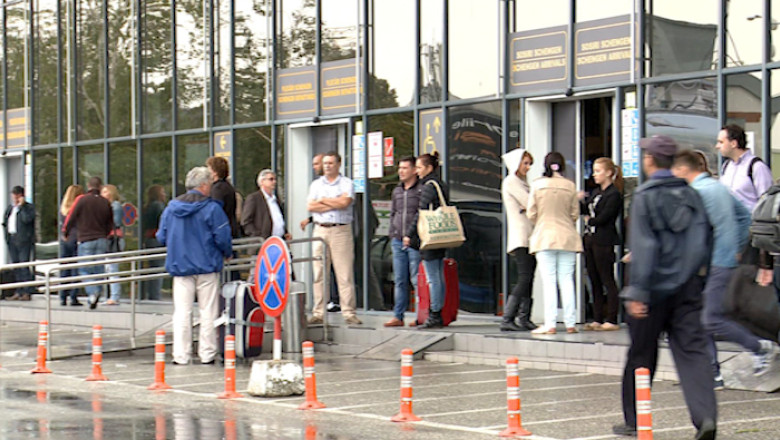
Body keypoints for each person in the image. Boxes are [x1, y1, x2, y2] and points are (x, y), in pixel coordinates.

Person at [614, 135, 716, 440]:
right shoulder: (692, 195)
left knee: (641, 354)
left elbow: (645, 247)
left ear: (649, 161)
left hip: (653, 290)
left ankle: (635, 420)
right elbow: (705, 240)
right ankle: (705, 416)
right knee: (693, 353)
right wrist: (698, 278)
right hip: (687, 288)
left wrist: (639, 292)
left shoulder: (645, 197)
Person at [672, 150, 778, 384]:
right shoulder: (717, 187)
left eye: (675, 170)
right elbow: (744, 217)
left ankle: (759, 348)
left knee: (709, 318)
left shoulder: (698, 192)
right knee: (702, 316)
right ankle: (713, 371)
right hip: (717, 261)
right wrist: (736, 247)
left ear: (683, 169)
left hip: (714, 263)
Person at [156, 167, 232, 365]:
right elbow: (222, 236)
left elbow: (161, 236)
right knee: (208, 312)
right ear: (204, 185)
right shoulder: (213, 208)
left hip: (180, 266)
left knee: (182, 312)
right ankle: (207, 354)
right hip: (207, 266)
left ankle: (181, 355)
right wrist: (227, 253)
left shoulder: (171, 208)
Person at [527, 152, 582, 335]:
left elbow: (531, 213)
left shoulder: (537, 184)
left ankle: (550, 323)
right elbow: (575, 214)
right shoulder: (570, 186)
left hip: (544, 236)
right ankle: (570, 322)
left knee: (549, 281)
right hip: (567, 236)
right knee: (566, 280)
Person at [306, 151, 361, 326]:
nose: (327, 166)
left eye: (330, 163)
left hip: (341, 231)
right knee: (319, 273)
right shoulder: (316, 184)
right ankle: (318, 312)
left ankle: (349, 312)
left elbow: (345, 203)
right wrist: (333, 201)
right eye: (325, 163)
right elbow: (311, 206)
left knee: (344, 273)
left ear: (338, 164)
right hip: (320, 230)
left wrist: (323, 201)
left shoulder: (347, 183)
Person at [404, 152, 448, 329]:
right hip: (441, 234)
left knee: (433, 277)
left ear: (429, 168)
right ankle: (438, 312)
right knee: (438, 274)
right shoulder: (440, 184)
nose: (417, 171)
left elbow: (421, 213)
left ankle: (434, 314)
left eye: (420, 167)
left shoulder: (429, 186)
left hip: (430, 235)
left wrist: (409, 233)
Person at [579, 157, 623, 332]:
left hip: (604, 240)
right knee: (594, 279)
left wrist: (591, 220)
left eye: (598, 171)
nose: (594, 175)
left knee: (607, 278)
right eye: (594, 171)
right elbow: (587, 212)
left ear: (609, 173)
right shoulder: (596, 192)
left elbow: (605, 218)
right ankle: (597, 318)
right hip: (590, 239)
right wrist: (580, 201)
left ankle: (611, 318)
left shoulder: (614, 194)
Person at [500, 149, 538, 332]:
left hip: (530, 235)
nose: (528, 167)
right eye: (525, 163)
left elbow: (530, 205)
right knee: (524, 277)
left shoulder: (522, 182)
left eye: (530, 163)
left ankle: (524, 318)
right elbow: (531, 203)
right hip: (521, 236)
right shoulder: (511, 182)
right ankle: (508, 317)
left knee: (529, 277)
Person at [63, 177, 114, 309]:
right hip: (101, 239)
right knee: (98, 269)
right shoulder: (105, 202)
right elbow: (110, 223)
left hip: (86, 239)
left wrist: (66, 232)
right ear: (100, 186)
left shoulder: (82, 200)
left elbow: (71, 217)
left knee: (85, 269)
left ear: (88, 186)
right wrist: (105, 234)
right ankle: (96, 293)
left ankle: (93, 293)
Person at [384, 156, 422, 327]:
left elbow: (421, 215)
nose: (401, 171)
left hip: (415, 241)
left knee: (416, 279)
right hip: (398, 240)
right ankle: (398, 315)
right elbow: (394, 212)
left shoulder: (421, 189)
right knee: (399, 279)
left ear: (415, 170)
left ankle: (420, 315)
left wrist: (413, 235)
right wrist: (393, 232)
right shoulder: (397, 191)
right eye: (400, 168)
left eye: (405, 168)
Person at [716, 124, 772, 211]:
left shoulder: (756, 166)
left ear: (733, 143)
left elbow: (766, 201)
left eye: (721, 142)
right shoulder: (726, 166)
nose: (717, 146)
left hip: (750, 222)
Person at [3, 186, 36, 301]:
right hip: (12, 239)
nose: (15, 198)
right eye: (13, 195)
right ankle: (18, 291)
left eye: (17, 195)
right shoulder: (10, 208)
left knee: (23, 265)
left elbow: (27, 219)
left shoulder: (28, 208)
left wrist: (21, 207)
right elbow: (5, 222)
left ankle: (27, 292)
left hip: (23, 240)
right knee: (15, 266)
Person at [241, 169, 291, 240]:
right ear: (262, 182)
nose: (274, 182)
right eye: (271, 179)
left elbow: (278, 219)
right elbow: (245, 222)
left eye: (275, 179)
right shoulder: (254, 198)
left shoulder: (275, 199)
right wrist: (258, 237)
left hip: (278, 242)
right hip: (262, 244)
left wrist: (285, 232)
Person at [58, 185, 84, 306]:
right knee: (75, 269)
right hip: (76, 237)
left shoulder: (63, 208)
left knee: (65, 267)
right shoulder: (78, 207)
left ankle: (63, 296)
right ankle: (73, 296)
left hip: (64, 239)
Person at [101, 184, 124, 305]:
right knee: (108, 269)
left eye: (105, 192)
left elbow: (116, 223)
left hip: (113, 239)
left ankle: (114, 296)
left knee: (112, 269)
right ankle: (110, 295)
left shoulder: (115, 206)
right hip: (109, 239)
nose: (102, 194)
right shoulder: (109, 206)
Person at [142, 185, 166, 300]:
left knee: (152, 268)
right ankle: (155, 295)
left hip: (149, 239)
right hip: (157, 239)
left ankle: (152, 294)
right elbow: (164, 222)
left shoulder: (147, 207)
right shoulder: (159, 206)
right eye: (163, 192)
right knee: (158, 269)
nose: (165, 194)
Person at [206, 156, 240, 239]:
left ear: (214, 172)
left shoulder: (217, 189)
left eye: (208, 169)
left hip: (222, 231)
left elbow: (215, 211)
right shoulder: (227, 186)